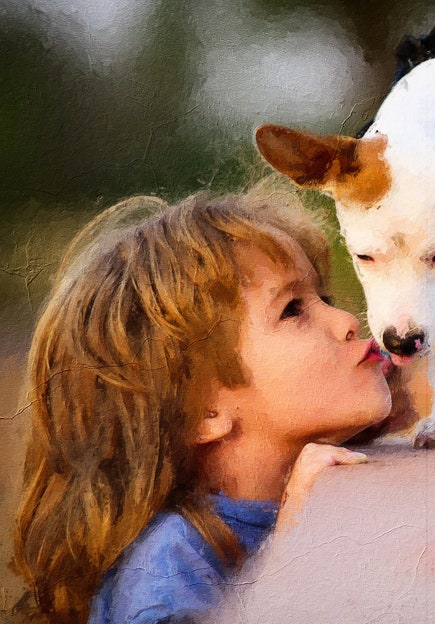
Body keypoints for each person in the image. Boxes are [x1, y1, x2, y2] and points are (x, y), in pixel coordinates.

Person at [12, 183, 392, 624]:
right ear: (201, 412)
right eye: (292, 309)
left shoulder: (291, 496)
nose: (347, 320)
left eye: (323, 299)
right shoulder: (166, 567)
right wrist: (290, 557)